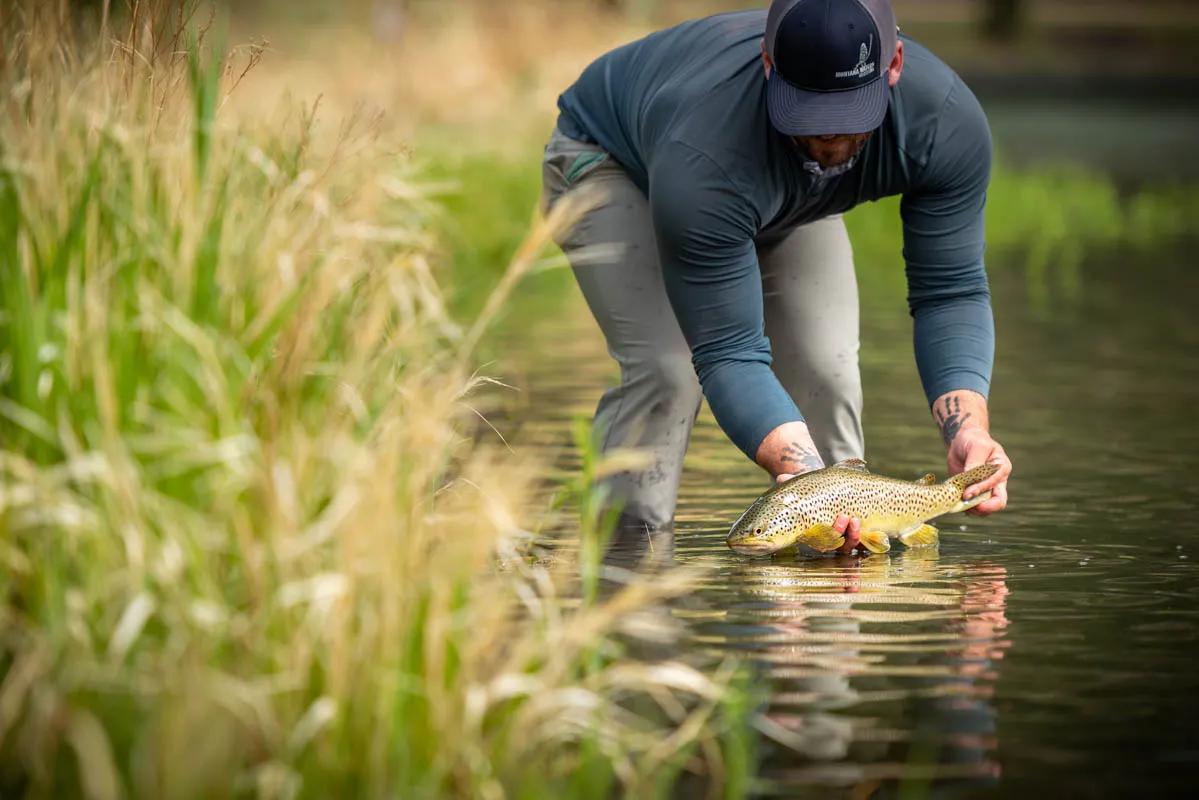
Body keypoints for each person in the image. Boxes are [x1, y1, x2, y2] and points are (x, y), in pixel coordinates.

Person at [541, 0, 1012, 553]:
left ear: (895, 66)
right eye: (809, 116)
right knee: (668, 372)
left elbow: (949, 290)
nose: (831, 141)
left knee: (828, 373)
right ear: (769, 65)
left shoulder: (944, 123)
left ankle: (835, 604)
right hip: (613, 165)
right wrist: (805, 487)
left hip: (778, 193)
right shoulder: (705, 147)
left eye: (851, 117)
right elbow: (729, 350)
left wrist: (969, 430)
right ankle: (621, 570)